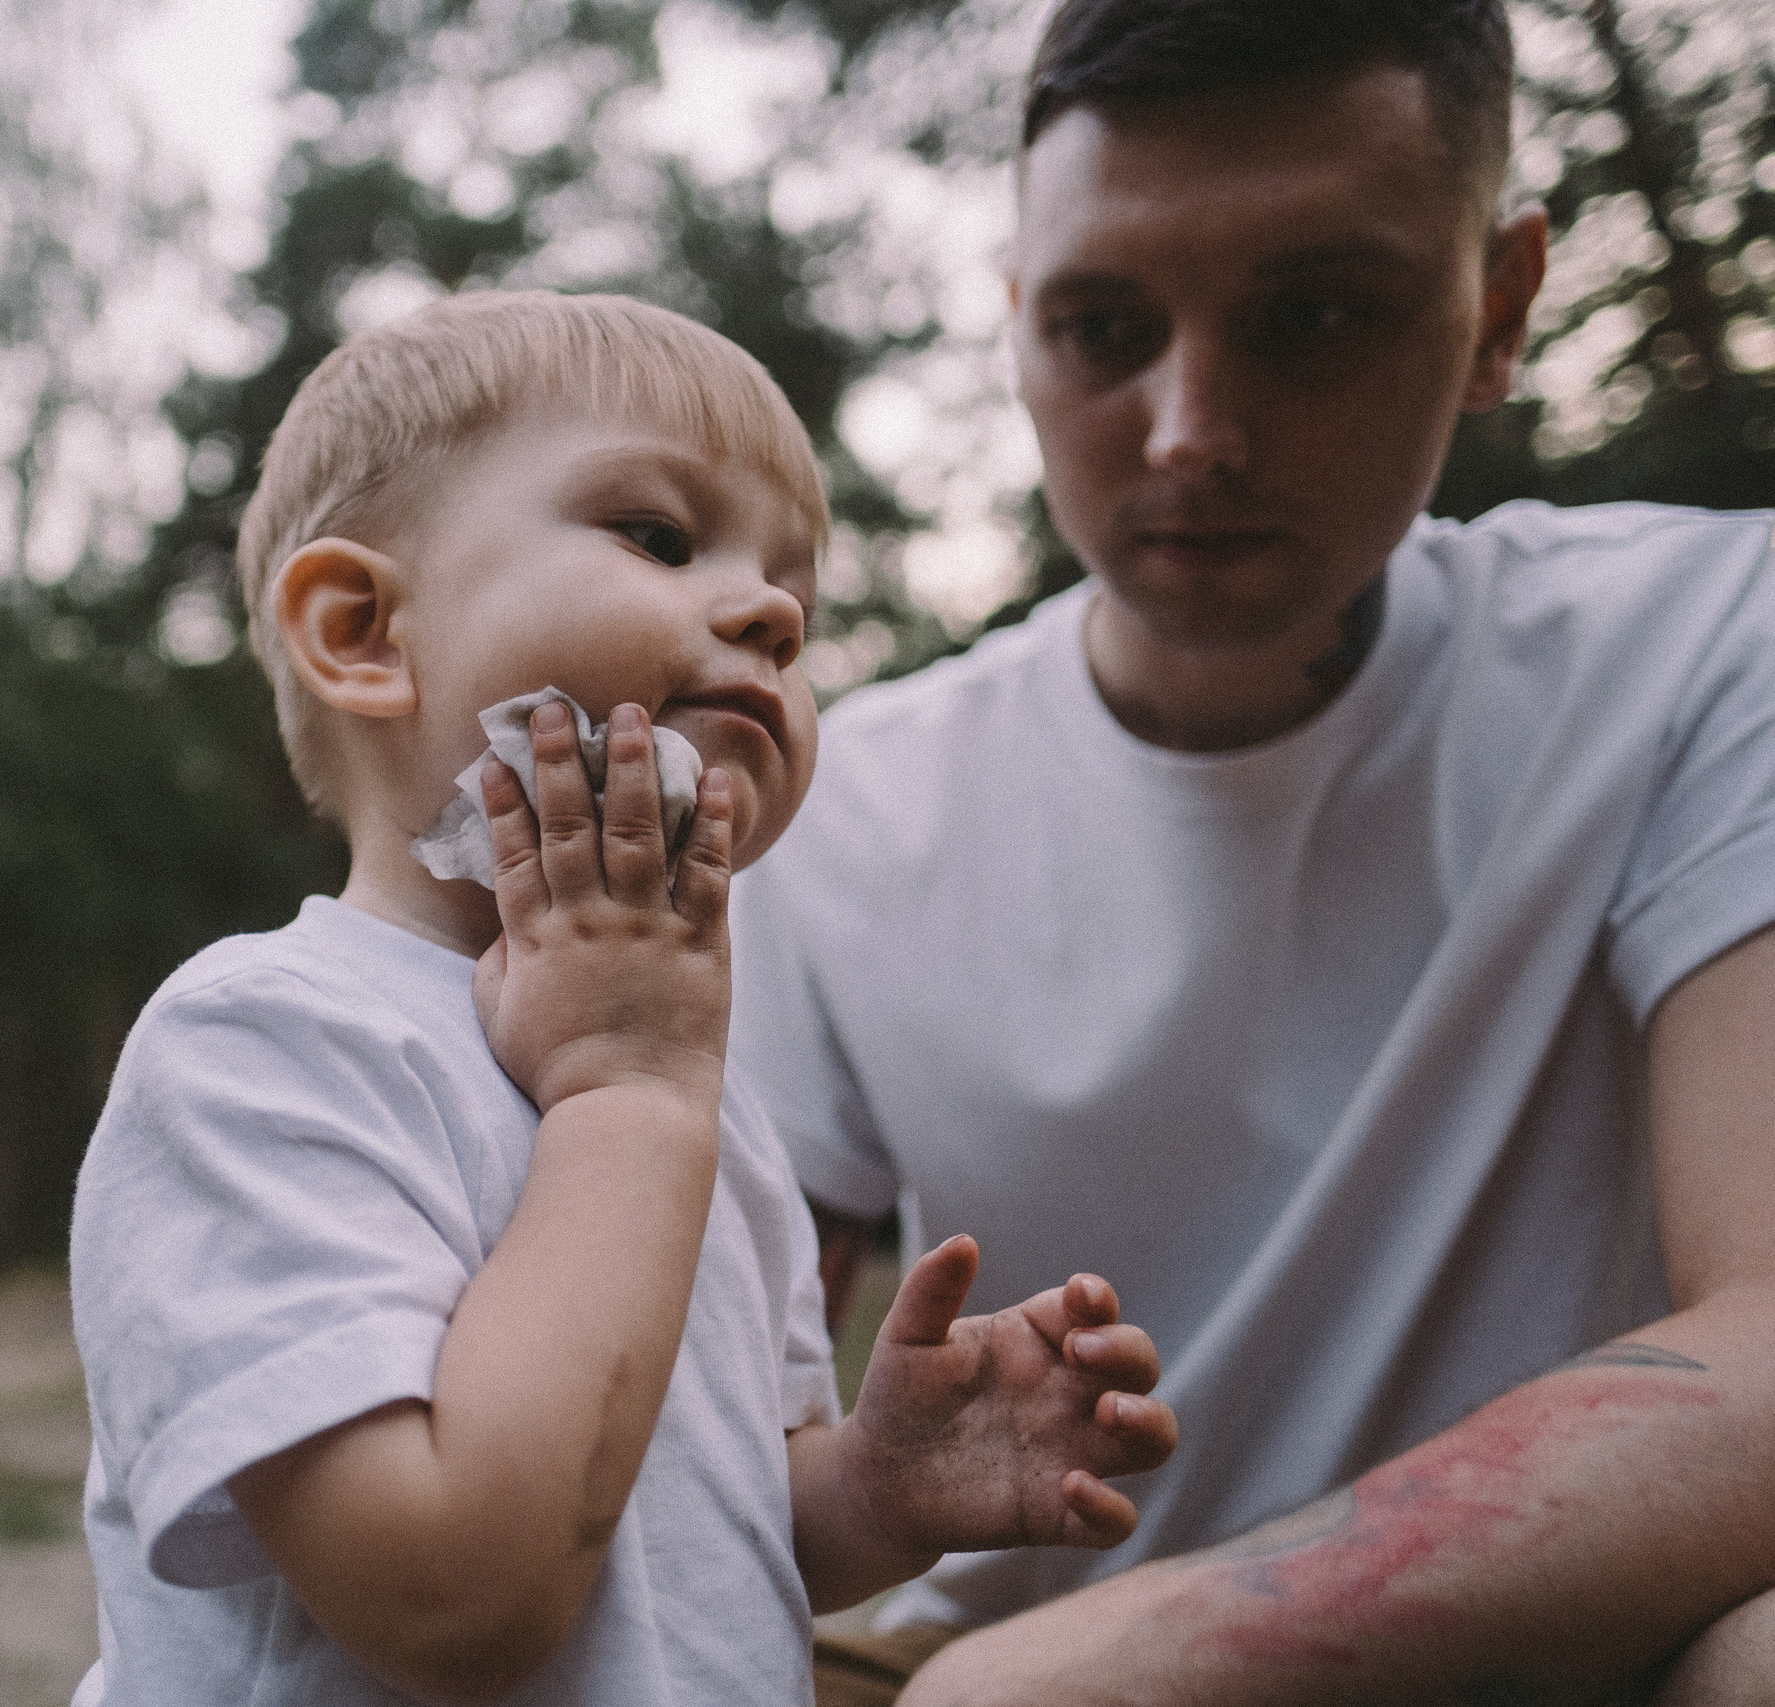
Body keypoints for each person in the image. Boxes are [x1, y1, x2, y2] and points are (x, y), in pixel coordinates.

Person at [730, 2, 1775, 1702]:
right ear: (1014, 324)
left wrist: (1115, 1668)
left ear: (1500, 305)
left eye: (1310, 317)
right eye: (1102, 327)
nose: (1189, 430)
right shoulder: (842, 806)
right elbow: (693, 1450)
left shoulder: (1706, 647)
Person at [67, 291, 1179, 1705]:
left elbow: (677, 1539)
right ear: (362, 631)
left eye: (799, 608)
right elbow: (455, 1600)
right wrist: (629, 1094)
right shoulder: (264, 1048)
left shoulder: (702, 1099)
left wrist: (867, 1497)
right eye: (659, 537)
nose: (772, 610)